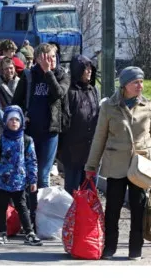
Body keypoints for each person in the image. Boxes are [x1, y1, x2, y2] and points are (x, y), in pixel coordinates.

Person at [85, 66, 150, 261]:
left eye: (141, 81)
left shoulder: (147, 106)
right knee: (112, 209)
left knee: (139, 208)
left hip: (140, 166)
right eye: (135, 82)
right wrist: (91, 166)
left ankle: (135, 249)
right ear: (124, 85)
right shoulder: (108, 106)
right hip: (115, 164)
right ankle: (109, 247)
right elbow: (99, 137)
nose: (140, 86)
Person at [12, 43, 70, 225]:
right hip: (30, 133)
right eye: (47, 58)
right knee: (29, 173)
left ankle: (40, 217)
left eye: (53, 57)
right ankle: (27, 215)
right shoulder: (29, 76)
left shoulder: (61, 75)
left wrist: (48, 73)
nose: (51, 61)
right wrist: (22, 117)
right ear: (37, 58)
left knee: (43, 175)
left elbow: (59, 93)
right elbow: (16, 103)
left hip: (50, 132)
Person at [0, 106, 42, 246]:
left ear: (21, 122)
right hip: (1, 180)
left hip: (19, 181)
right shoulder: (0, 139)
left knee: (22, 206)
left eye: (17, 120)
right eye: (11, 119)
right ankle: (2, 232)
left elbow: (32, 161)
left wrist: (33, 180)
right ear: (5, 122)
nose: (14, 122)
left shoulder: (26, 140)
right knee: (1, 206)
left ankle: (29, 232)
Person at [60, 55, 99, 195]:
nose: (89, 71)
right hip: (72, 150)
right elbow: (64, 120)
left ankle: (87, 217)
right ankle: (71, 216)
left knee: (89, 190)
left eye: (90, 68)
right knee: (72, 190)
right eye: (85, 68)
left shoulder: (93, 90)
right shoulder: (69, 92)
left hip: (90, 150)